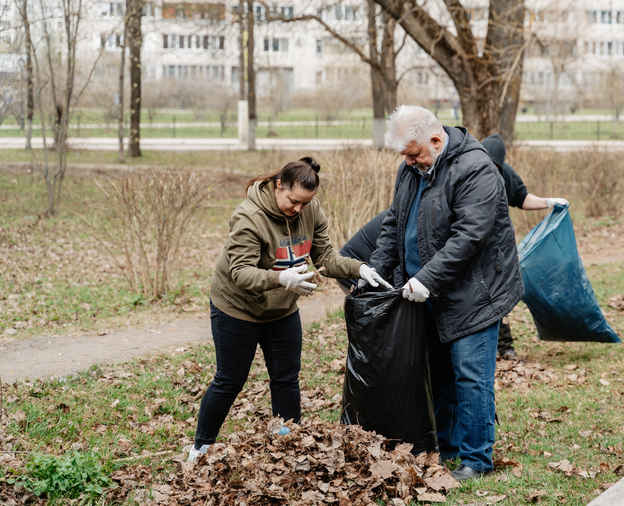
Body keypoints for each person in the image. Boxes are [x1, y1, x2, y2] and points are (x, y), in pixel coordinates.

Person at [188, 156, 390, 463]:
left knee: (286, 378)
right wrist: (281, 278)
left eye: (305, 203)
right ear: (278, 185)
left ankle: (287, 443)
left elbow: (325, 258)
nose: (298, 209)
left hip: (281, 310)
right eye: (294, 201)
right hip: (237, 308)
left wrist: (359, 268)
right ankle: (200, 448)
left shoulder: (312, 211)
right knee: (230, 379)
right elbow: (240, 272)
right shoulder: (248, 216)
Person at [368, 105, 524, 481]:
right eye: (405, 156)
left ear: (436, 141)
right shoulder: (412, 169)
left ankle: (476, 460)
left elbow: (469, 235)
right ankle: (450, 450)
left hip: (474, 293)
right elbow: (395, 221)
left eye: (414, 154)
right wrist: (376, 269)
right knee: (440, 374)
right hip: (427, 294)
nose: (408, 162)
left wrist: (426, 279)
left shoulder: (476, 168)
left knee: (470, 376)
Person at [338, 135, 568, 363]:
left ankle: (505, 347)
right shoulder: (416, 208)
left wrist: (548, 202)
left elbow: (516, 200)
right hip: (361, 263)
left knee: (488, 299)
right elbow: (400, 254)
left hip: (457, 284)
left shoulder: (495, 172)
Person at [481, 134, 568, 360]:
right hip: (468, 243)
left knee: (499, 294)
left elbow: (521, 198)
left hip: (496, 245)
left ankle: (505, 347)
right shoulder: (465, 171)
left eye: (495, 167)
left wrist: (548, 202)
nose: (490, 170)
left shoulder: (503, 173)